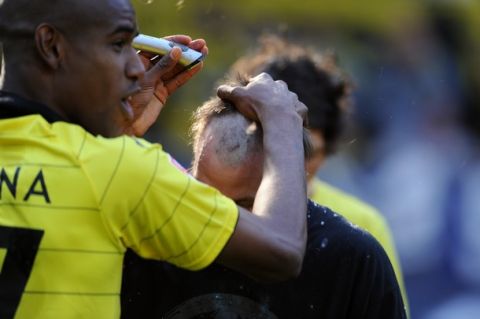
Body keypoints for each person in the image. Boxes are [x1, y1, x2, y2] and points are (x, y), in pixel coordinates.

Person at [0, 1, 310, 318]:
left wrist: (113, 134)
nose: (135, 68)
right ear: (50, 45)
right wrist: (283, 121)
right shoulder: (113, 167)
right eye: (118, 44)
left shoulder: (104, 162)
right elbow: (281, 250)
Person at [121, 77, 407, 318]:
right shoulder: (147, 242)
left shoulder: (350, 260)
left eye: (244, 205)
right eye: (204, 196)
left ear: (288, 184)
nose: (221, 216)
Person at [228, 34, 408, 307]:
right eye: (278, 141)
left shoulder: (363, 224)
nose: (294, 162)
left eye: (308, 150)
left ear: (329, 149)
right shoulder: (210, 206)